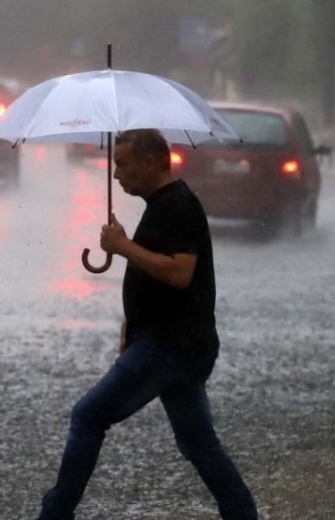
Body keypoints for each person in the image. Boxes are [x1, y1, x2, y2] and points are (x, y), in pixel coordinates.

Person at [35, 129, 258, 520]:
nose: (116, 173)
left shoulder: (177, 205)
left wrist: (122, 247)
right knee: (199, 443)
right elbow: (156, 275)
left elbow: (179, 273)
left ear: (150, 162)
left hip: (169, 347)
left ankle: (54, 514)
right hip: (179, 344)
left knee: (88, 417)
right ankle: (242, 514)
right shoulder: (161, 204)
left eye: (122, 163)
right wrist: (131, 322)